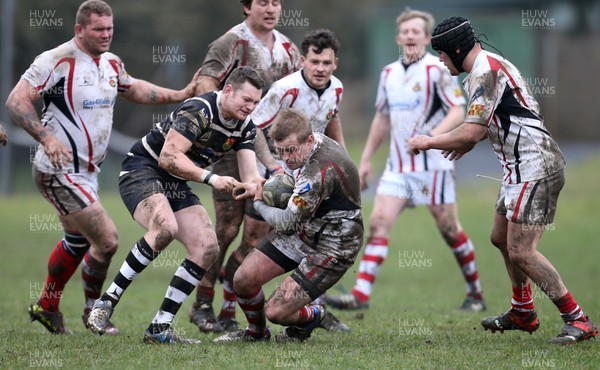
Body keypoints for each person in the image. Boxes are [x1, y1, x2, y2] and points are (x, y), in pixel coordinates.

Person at [5, 0, 199, 335]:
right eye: (99, 29)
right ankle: (93, 312)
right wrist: (48, 140)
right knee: (107, 239)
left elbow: (133, 88)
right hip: (58, 170)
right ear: (79, 29)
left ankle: (47, 306)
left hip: (89, 172)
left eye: (110, 28)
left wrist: (180, 93)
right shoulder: (55, 60)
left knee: (78, 241)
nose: (106, 34)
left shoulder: (110, 62)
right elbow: (16, 100)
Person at [409, 16, 597, 344]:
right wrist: (465, 142)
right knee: (500, 237)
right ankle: (523, 310)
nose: (440, 60)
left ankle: (577, 319)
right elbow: (493, 122)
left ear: (455, 49)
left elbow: (474, 129)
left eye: (441, 53)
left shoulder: (485, 72)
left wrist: (428, 140)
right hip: (518, 168)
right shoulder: (488, 65)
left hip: (536, 165)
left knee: (521, 250)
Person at [86, 66, 265, 344]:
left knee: (207, 247)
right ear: (228, 91)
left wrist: (260, 186)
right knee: (164, 227)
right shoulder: (200, 109)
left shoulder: (246, 127)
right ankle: (105, 303)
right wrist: (211, 178)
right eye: (247, 100)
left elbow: (250, 174)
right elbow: (168, 157)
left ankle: (160, 328)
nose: (251, 107)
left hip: (175, 182)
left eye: (256, 102)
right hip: (143, 169)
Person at [325, 9, 485, 313]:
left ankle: (475, 293)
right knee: (379, 223)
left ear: (426, 38)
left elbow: (457, 109)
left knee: (449, 228)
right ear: (399, 37)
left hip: (433, 168)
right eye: (405, 32)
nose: (411, 36)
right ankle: (361, 294)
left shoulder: (438, 70)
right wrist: (367, 159)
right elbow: (382, 119)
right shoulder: (388, 74)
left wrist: (432, 137)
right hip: (398, 168)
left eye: (417, 32)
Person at [189, 0, 301, 334]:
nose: (271, 8)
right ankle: (202, 304)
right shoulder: (229, 43)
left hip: (273, 153)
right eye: (263, 2)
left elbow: (295, 96)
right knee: (226, 229)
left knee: (257, 233)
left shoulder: (288, 50)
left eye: (276, 2)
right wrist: (226, 125)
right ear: (246, 7)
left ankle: (228, 303)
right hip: (231, 145)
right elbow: (204, 85)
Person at [213, 107, 363, 343]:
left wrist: (260, 200)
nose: (287, 158)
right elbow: (288, 185)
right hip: (306, 229)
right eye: (281, 152)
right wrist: (260, 185)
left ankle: (315, 315)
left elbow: (287, 223)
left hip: (335, 244)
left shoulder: (317, 172)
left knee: (276, 312)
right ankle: (257, 335)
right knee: (242, 280)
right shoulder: (307, 146)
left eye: (291, 150)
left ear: (309, 140)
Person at [251, 28, 350, 331]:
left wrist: (343, 160)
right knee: (256, 238)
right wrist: (271, 167)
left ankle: (312, 311)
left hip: (313, 176)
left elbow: (331, 120)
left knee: (315, 239)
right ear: (303, 61)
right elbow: (254, 126)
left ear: (335, 63)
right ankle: (233, 309)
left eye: (327, 62)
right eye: (315, 61)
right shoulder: (285, 88)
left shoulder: (337, 88)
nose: (320, 68)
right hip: (276, 173)